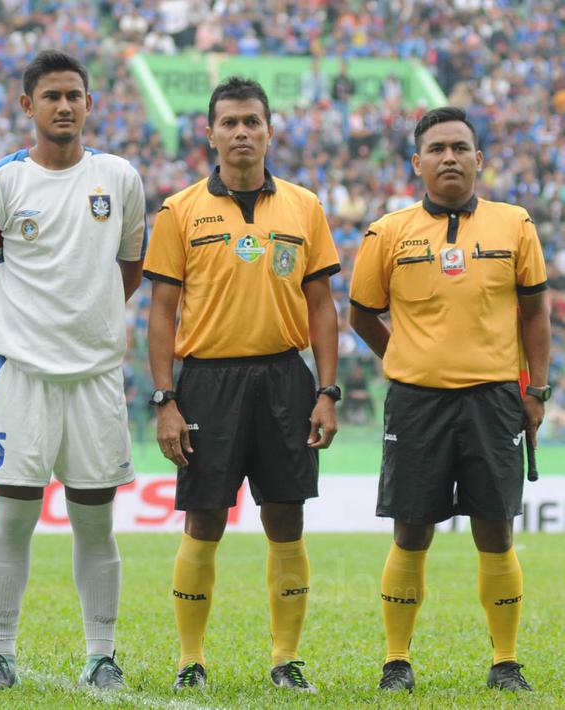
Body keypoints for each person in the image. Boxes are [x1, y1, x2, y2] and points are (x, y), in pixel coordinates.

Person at [144, 77, 340, 693]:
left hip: (285, 377)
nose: (241, 132)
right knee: (204, 521)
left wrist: (327, 391)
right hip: (207, 382)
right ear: (210, 134)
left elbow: (322, 306)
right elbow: (161, 313)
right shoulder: (180, 210)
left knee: (286, 518)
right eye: (229, 122)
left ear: (270, 131)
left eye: (252, 121)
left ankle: (286, 659)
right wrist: (165, 398)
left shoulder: (305, 207)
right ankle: (190, 661)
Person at [0, 50, 146, 691]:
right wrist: (30, 330)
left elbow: (129, 268)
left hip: (96, 378)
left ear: (89, 104)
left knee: (95, 522)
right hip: (23, 376)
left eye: (74, 95)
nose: (64, 106)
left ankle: (101, 655)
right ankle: (0, 656)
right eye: (51, 96)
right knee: (13, 519)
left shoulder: (119, 178)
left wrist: (87, 325)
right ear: (27, 105)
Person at [349, 106, 545, 694]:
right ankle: (396, 662)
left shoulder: (515, 224)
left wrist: (536, 389)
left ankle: (505, 663)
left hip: (494, 400)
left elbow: (535, 312)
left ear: (479, 159)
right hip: (417, 403)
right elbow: (361, 315)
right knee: (411, 532)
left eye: (460, 147)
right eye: (436, 149)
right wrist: (406, 357)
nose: (449, 157)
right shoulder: (387, 232)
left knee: (496, 531)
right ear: (417, 162)